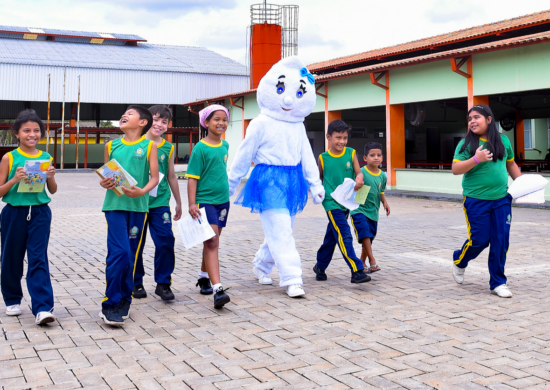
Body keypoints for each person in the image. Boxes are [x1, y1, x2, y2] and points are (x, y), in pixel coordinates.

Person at [228, 57, 325, 298]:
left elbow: (307, 155)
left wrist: (315, 183)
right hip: (268, 178)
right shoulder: (261, 123)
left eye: (298, 93)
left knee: (282, 228)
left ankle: (262, 264)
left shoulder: (298, 126)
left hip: (293, 180)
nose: (289, 99)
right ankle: (292, 277)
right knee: (281, 229)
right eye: (280, 89)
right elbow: (244, 152)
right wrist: (230, 182)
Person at [452, 104, 521, 298]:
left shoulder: (503, 141)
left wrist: (523, 185)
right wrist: (476, 159)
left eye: (477, 117)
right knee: (480, 240)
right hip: (476, 200)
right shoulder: (466, 144)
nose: (472, 121)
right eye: (469, 118)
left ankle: (498, 282)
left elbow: (511, 164)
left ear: (489, 119)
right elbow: (456, 169)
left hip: (501, 199)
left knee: (500, 241)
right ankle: (460, 261)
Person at [99, 106, 159, 325]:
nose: (124, 115)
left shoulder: (149, 146)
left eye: (130, 113)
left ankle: (125, 299)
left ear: (143, 122)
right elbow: (106, 173)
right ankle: (110, 303)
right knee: (119, 253)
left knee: (131, 255)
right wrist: (103, 182)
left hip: (139, 208)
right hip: (114, 206)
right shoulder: (111, 145)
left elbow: (154, 177)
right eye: (123, 113)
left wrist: (142, 191)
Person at [0, 109, 57, 325]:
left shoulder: (46, 157)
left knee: (38, 257)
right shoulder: (9, 157)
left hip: (40, 212)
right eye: (26, 131)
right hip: (14, 213)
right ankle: (12, 299)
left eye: (36, 130)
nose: (32, 134)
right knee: (11, 257)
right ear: (17, 133)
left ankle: (42, 307)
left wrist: (51, 176)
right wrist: (14, 179)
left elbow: (52, 190)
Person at [133, 105, 182, 301]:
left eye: (164, 121)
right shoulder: (135, 143)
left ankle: (163, 283)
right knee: (135, 243)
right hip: (137, 202)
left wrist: (179, 202)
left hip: (160, 202)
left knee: (165, 240)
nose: (159, 124)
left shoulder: (168, 148)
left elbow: (171, 175)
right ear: (145, 121)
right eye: (156, 119)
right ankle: (135, 282)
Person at [314, 120, 371, 283]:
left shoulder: (351, 153)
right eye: (338, 137)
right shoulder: (322, 158)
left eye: (345, 138)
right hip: (331, 202)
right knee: (344, 233)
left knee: (333, 235)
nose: (342, 141)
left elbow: (359, 173)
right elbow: (318, 180)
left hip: (347, 202)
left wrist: (359, 180)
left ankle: (320, 265)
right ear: (329, 137)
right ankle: (357, 270)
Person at [187, 104, 231, 309]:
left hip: (223, 201)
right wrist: (191, 203)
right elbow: (192, 179)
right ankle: (218, 289)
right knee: (212, 242)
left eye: (224, 119)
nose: (221, 123)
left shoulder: (225, 146)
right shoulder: (200, 148)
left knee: (212, 241)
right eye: (216, 119)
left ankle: (203, 276)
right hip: (205, 201)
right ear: (206, 122)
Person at [350, 142, 390, 272]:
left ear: (382, 158)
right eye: (372, 155)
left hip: (373, 211)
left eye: (379, 155)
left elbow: (381, 191)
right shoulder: (361, 173)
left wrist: (385, 202)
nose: (376, 158)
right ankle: (372, 260)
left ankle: (362, 261)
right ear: (365, 158)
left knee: (370, 236)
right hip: (359, 209)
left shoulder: (383, 175)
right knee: (365, 233)